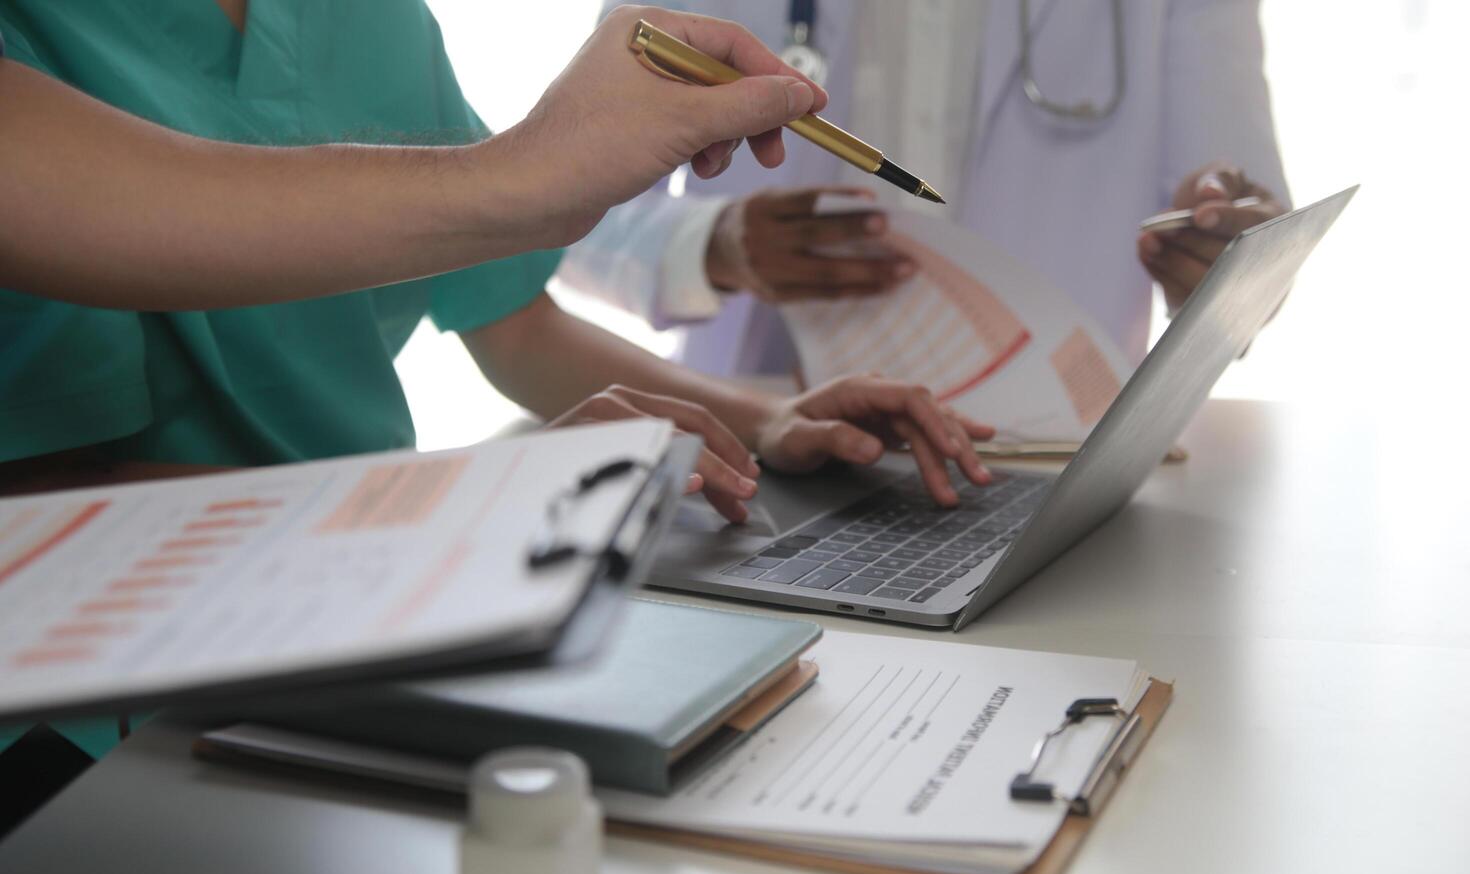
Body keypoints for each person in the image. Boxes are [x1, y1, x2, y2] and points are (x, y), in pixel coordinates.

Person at [0, 1, 993, 821]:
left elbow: (513, 320)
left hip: (358, 640)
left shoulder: (374, 24)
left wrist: (766, 421)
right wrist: (458, 505)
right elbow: (49, 508)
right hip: (101, 716)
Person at [559, 0, 1291, 374]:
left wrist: (1225, 265)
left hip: (1054, 458)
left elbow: (1250, 241)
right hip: (762, 437)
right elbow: (565, 215)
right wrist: (711, 247)